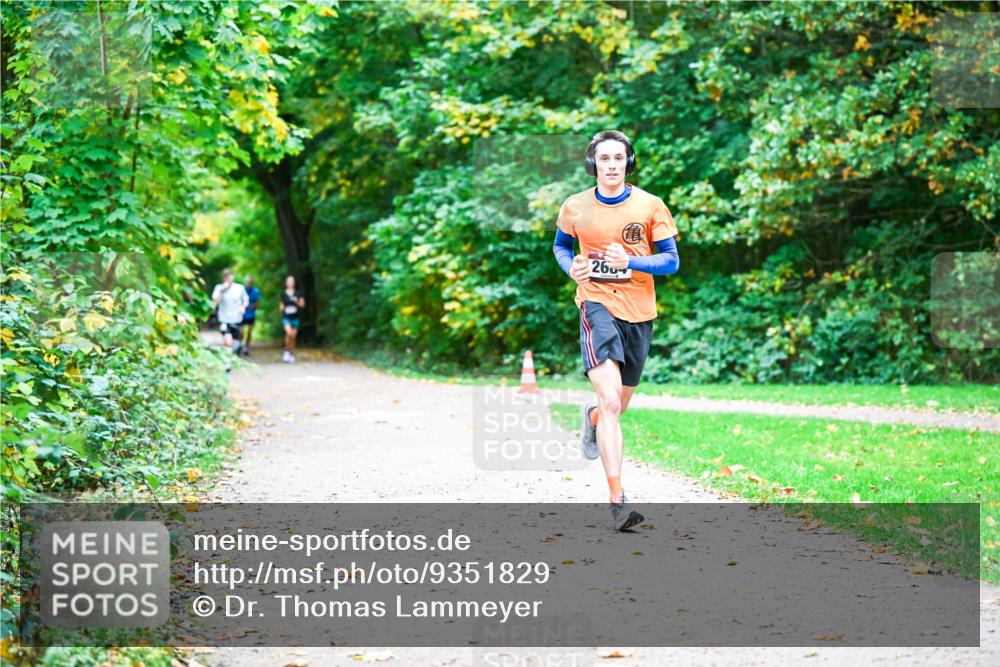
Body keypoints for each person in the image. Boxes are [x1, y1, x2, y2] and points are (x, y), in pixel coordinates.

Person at [552, 130, 680, 531]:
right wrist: (570, 266)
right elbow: (560, 247)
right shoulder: (574, 207)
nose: (611, 165)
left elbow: (671, 262)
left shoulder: (650, 206)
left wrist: (632, 261)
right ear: (593, 164)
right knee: (610, 402)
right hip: (596, 305)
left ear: (628, 162)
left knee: (615, 407)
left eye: (618, 158)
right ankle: (618, 499)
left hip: (639, 314)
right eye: (603, 158)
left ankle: (591, 418)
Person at [211, 268, 250, 363]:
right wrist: (221, 291)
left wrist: (243, 307)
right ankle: (227, 363)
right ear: (223, 278)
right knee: (228, 341)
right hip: (224, 320)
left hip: (236, 319)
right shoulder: (218, 288)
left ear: (232, 276)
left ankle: (232, 355)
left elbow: (246, 300)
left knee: (235, 343)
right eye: (226, 277)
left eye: (229, 276)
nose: (228, 278)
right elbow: (215, 302)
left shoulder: (240, 288)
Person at [280, 275, 305, 363]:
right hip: (286, 317)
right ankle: (286, 351)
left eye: (292, 281)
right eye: (288, 281)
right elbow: (281, 306)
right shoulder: (283, 294)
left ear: (294, 283)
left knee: (293, 337)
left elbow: (302, 305)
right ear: (286, 283)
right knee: (289, 333)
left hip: (295, 318)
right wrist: (282, 308)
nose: (290, 283)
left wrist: (296, 301)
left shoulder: (299, 293)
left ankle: (291, 353)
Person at [241, 276, 261, 356]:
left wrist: (252, 306)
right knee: (241, 332)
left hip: (251, 314)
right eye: (247, 282)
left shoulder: (256, 291)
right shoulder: (242, 290)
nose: (249, 284)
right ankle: (240, 345)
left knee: (249, 331)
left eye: (250, 282)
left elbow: (258, 303)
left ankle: (246, 347)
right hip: (242, 314)